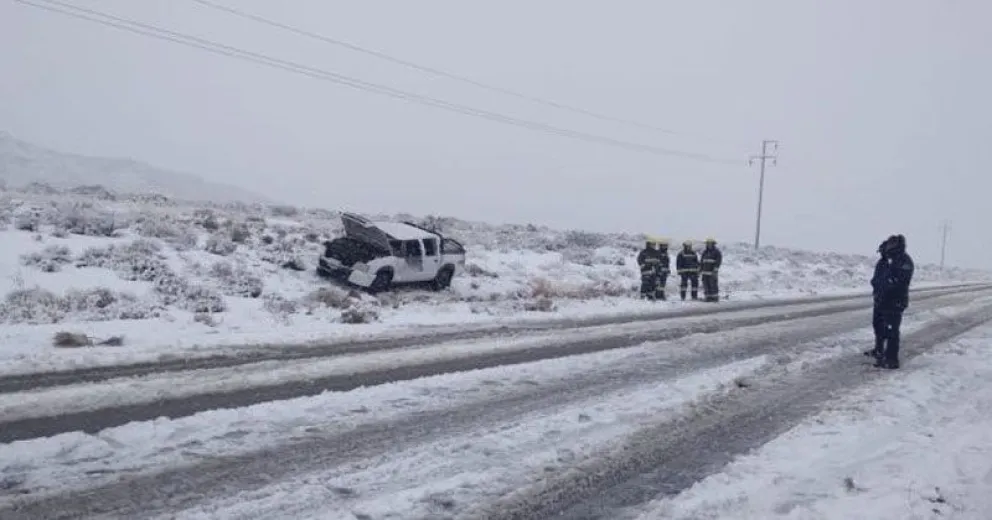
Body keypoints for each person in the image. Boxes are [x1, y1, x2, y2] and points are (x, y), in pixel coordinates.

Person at [867, 234, 914, 369]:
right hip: (880, 300)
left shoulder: (904, 260)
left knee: (891, 330)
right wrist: (876, 286)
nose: (888, 247)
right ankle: (879, 350)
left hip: (895, 302)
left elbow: (900, 281)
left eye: (891, 244)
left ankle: (891, 359)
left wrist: (886, 286)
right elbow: (877, 278)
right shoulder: (884, 261)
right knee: (878, 326)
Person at [700, 237, 722, 302]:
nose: (709, 245)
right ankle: (708, 297)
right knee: (706, 285)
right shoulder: (704, 252)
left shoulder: (717, 252)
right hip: (705, 272)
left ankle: (715, 297)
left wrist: (715, 270)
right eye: (708, 243)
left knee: (713, 284)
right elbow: (702, 262)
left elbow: (718, 261)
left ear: (713, 244)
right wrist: (700, 269)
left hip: (712, 272)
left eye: (710, 243)